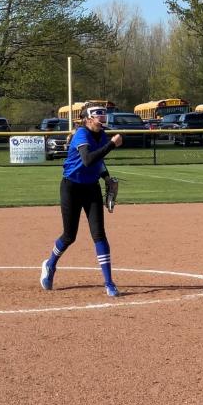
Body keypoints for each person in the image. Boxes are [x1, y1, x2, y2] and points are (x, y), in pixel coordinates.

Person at [40, 104, 123, 297]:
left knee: (99, 234)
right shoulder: (81, 135)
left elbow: (99, 163)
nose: (102, 119)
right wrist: (111, 144)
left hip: (91, 187)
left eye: (103, 115)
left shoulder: (101, 135)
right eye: (98, 116)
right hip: (71, 187)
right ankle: (50, 264)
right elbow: (87, 160)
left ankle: (109, 283)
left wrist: (106, 178)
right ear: (87, 118)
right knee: (69, 236)